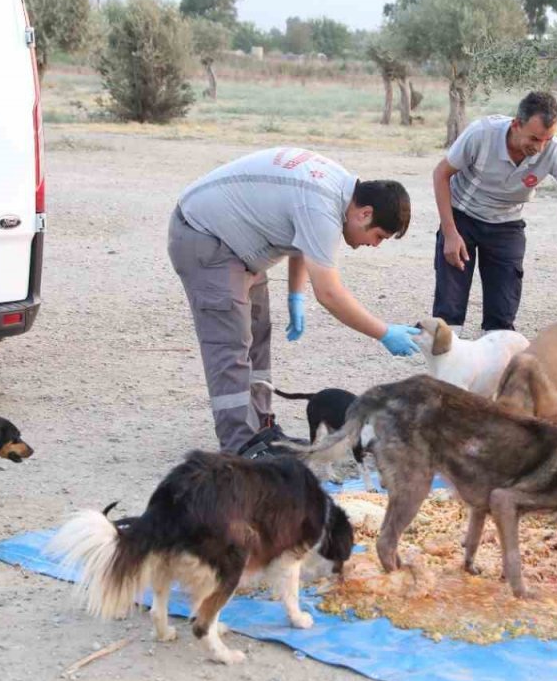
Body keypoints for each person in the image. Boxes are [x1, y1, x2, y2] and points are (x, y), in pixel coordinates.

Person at [168, 146, 419, 459]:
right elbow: (329, 293)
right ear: (364, 213)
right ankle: (240, 446)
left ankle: (261, 429)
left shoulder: (338, 190)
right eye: (379, 236)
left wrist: (295, 294)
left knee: (257, 335)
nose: (375, 245)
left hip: (238, 245)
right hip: (205, 238)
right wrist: (383, 332)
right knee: (230, 344)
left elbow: (303, 238)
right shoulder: (323, 206)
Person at [432, 91, 557, 332]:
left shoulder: (553, 150)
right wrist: (450, 232)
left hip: (506, 224)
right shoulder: (481, 134)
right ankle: (444, 365)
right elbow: (441, 174)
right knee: (449, 310)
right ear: (516, 125)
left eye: (546, 139)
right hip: (462, 216)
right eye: (534, 138)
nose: (540, 147)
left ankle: (496, 364)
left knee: (501, 319)